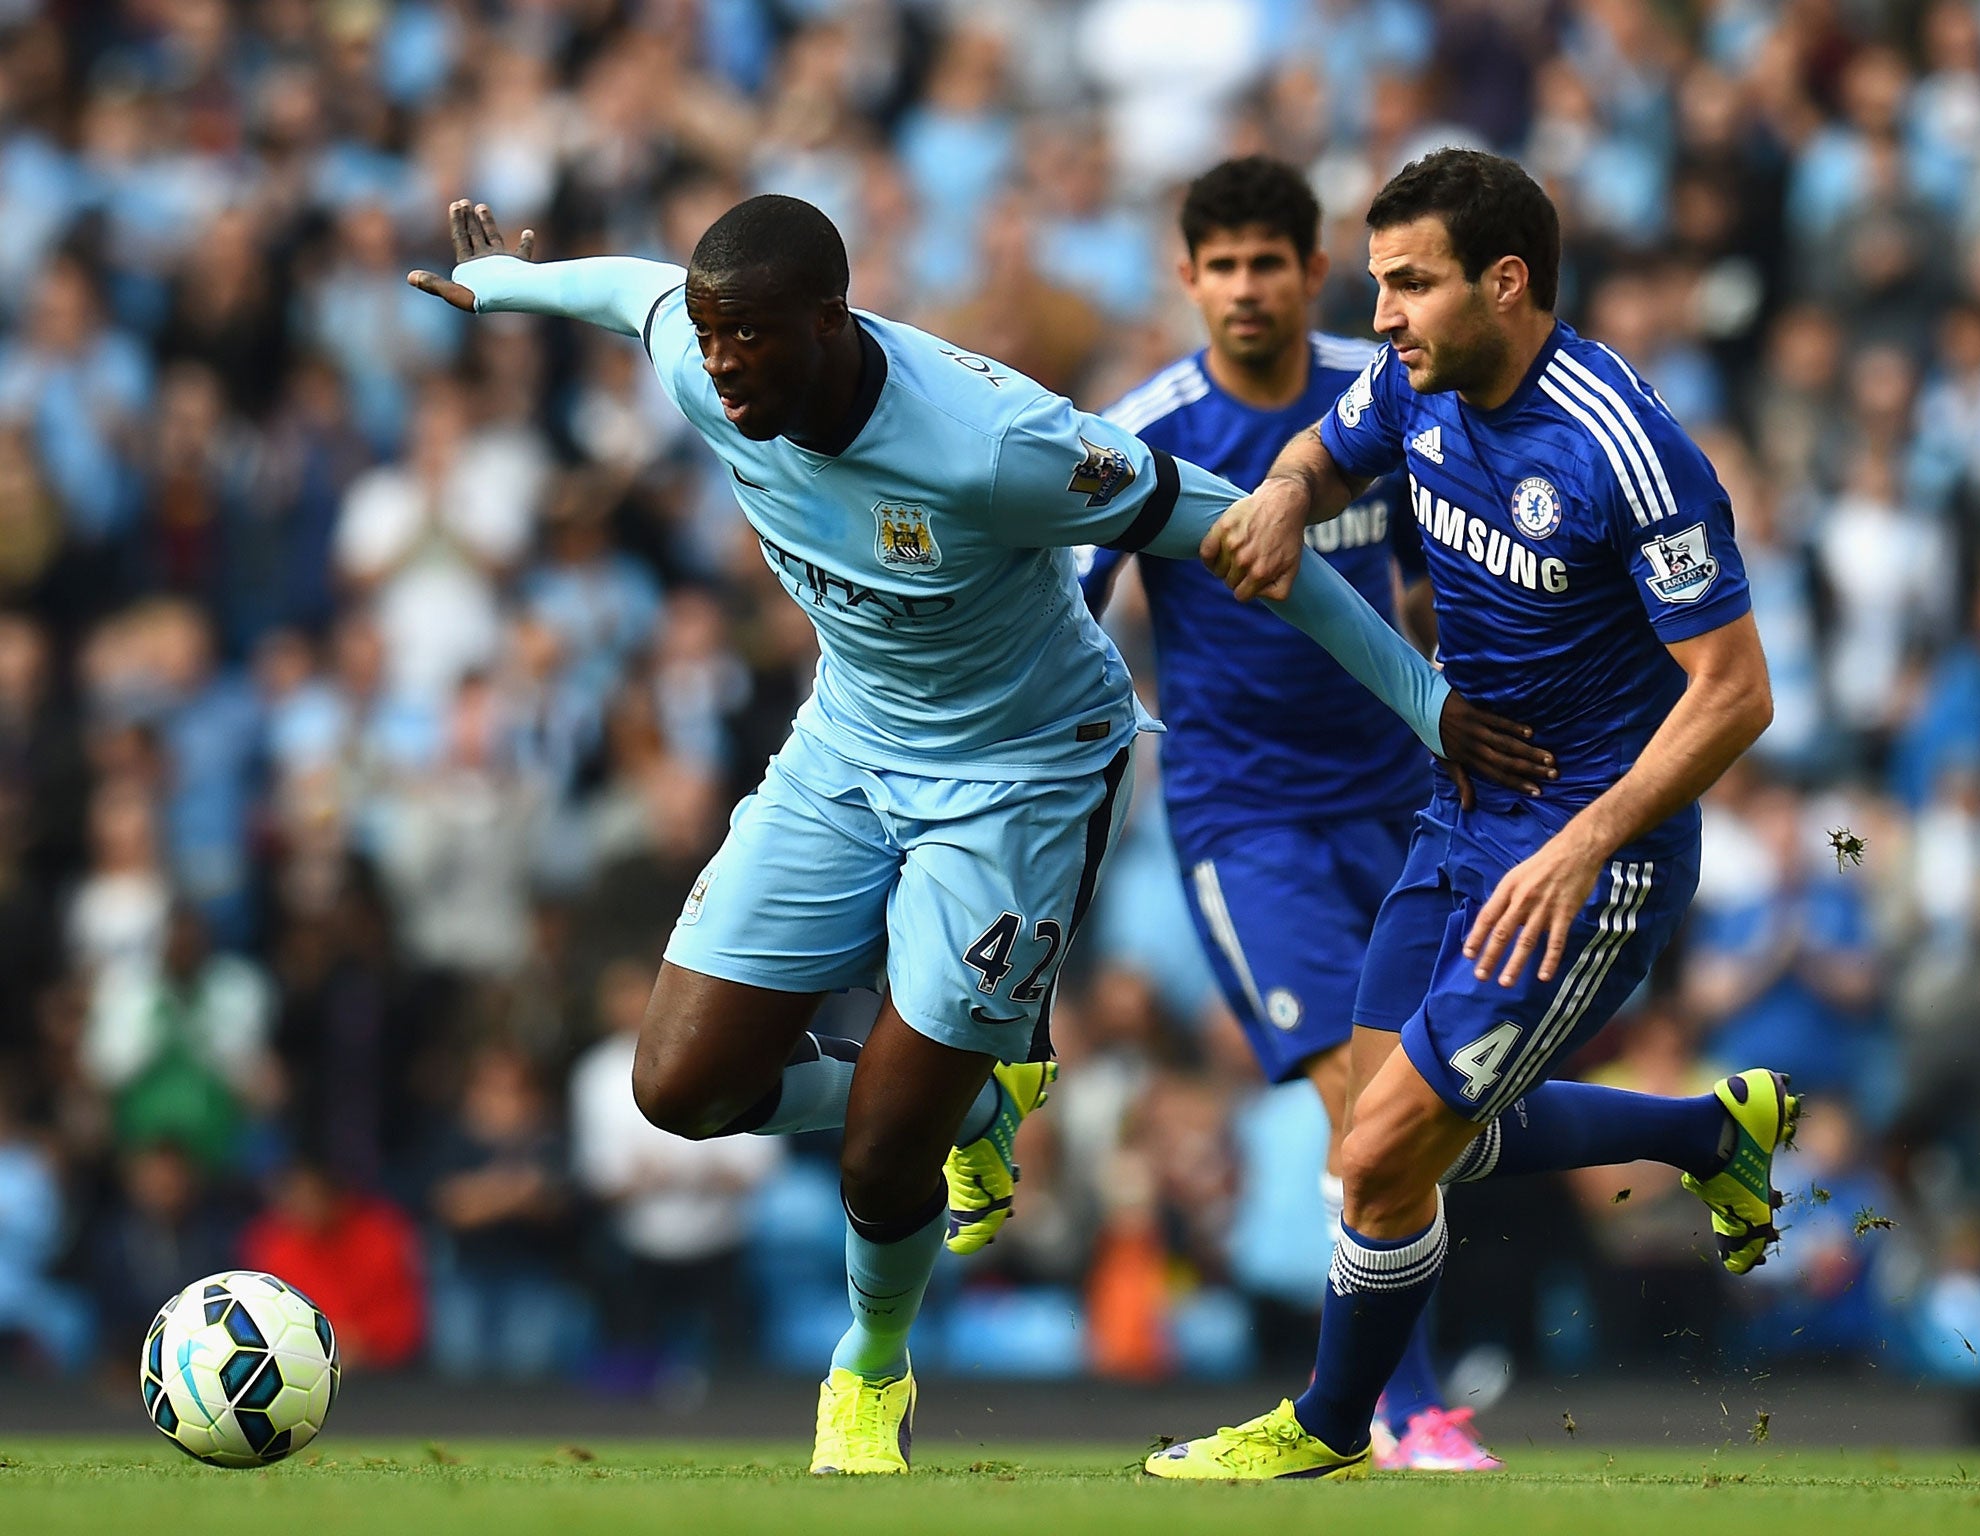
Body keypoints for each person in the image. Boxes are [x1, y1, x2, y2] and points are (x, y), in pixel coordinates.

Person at [409, 192, 1550, 1473]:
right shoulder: (701, 362)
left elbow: (1250, 531)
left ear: (830, 322)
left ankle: (869, 1369)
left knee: (876, 1153)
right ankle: (966, 1108)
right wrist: (516, 285)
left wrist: (1425, 701)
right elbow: (636, 293)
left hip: (1020, 778)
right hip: (846, 747)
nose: (722, 366)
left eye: (750, 340)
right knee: (678, 1090)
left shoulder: (995, 445)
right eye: (713, 337)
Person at [1148, 148, 1789, 1481]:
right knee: (1404, 1130)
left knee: (1382, 1156)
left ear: (1507, 283)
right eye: (1378, 284)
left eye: (1409, 285)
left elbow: (1735, 696)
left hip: (1583, 863)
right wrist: (1276, 497)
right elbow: (1323, 454)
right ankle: (1708, 1133)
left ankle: (1332, 1427)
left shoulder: (1623, 446)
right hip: (1457, 819)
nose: (1379, 318)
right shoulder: (1413, 386)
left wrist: (1582, 844)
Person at [1073, 155, 1495, 1471]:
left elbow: (1437, 569)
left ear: (1315, 272)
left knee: (1450, 1107)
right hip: (1247, 822)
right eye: (1223, 264)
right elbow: (1067, 612)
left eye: (1272, 261)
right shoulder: (1145, 433)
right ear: (1187, 278)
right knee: (1365, 1116)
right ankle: (1405, 1406)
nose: (1247, 286)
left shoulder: (1378, 396)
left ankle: (1700, 1130)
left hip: (1409, 804)